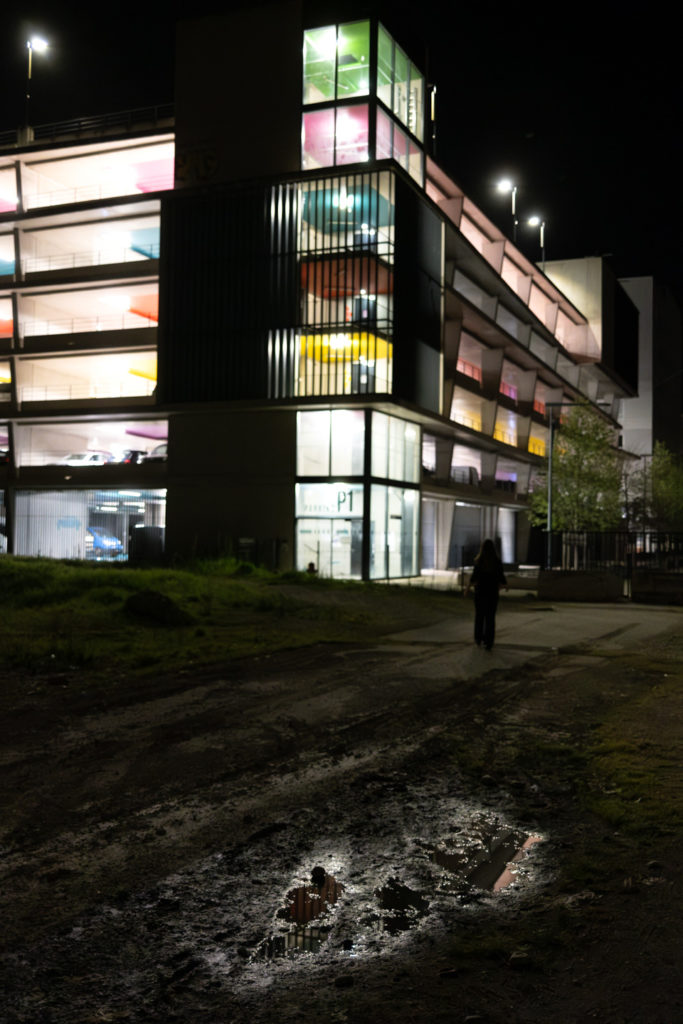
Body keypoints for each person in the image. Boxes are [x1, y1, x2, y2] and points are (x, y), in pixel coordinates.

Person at [464, 539, 507, 650]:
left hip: (480, 593)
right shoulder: (497, 562)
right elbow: (501, 577)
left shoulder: (479, 562)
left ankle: (478, 639)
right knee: (490, 618)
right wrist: (504, 585)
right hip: (492, 593)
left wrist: (468, 588)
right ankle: (489, 641)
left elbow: (474, 577)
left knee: (479, 616)